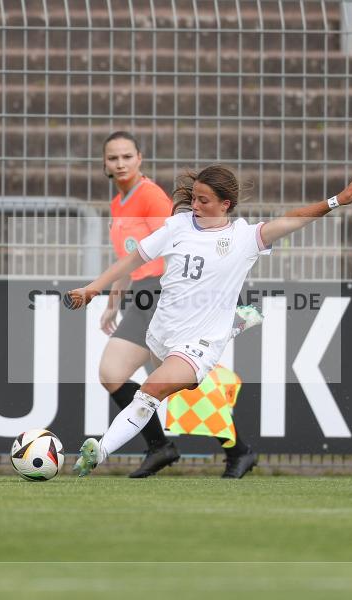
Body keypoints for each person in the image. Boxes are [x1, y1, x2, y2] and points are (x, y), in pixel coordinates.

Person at [67, 165, 352, 477]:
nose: (195, 206)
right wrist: (93, 289)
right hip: (160, 331)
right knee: (149, 384)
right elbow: (133, 259)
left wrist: (336, 200)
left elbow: (293, 219)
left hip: (199, 344)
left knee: (150, 392)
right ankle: (233, 332)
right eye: (194, 198)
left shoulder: (245, 237)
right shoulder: (178, 226)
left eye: (204, 201)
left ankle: (99, 451)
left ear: (225, 204)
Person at [98, 131, 261, 478]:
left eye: (127, 156)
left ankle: (222, 450)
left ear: (140, 158)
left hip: (162, 297)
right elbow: (132, 256)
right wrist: (114, 300)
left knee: (158, 381)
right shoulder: (118, 202)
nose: (120, 163)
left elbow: (183, 245)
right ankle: (195, 448)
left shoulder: (152, 198)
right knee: (132, 378)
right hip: (143, 296)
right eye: (113, 158)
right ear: (105, 164)